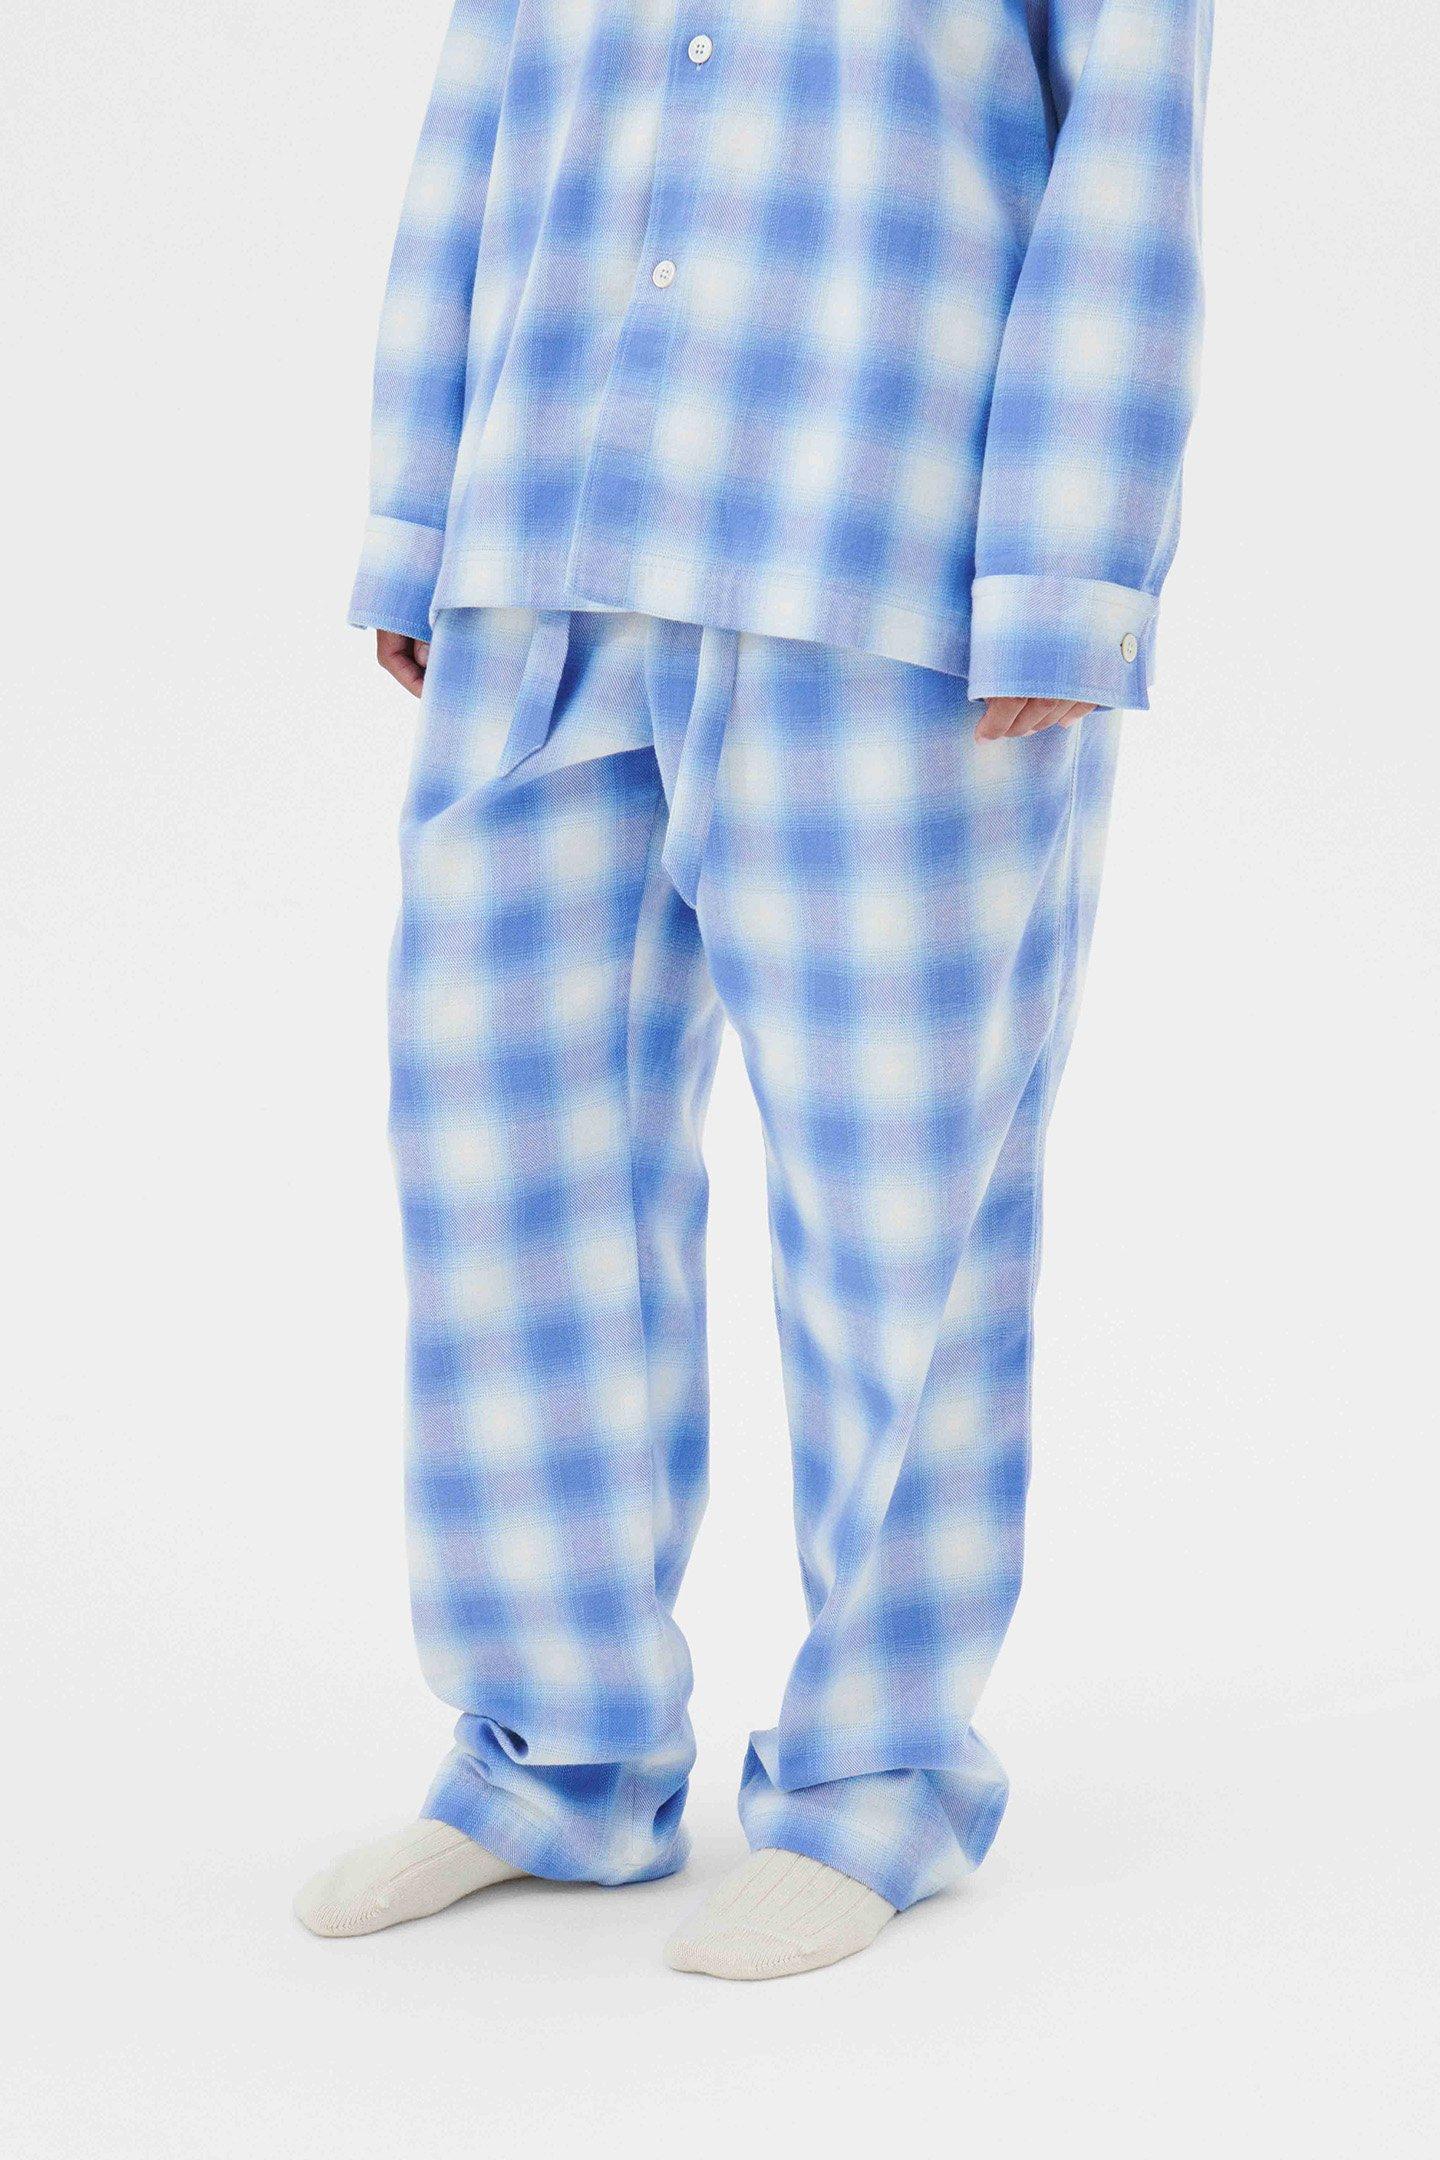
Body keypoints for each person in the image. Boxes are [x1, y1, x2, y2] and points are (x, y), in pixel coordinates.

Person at [296, 0, 1212, 1980]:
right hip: (544, 553)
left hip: (881, 569)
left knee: (903, 1212)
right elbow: (475, 123)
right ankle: (554, 1757)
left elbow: (1128, 160)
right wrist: (417, 509)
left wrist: (1069, 570)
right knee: (503, 1166)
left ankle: (879, 1776)